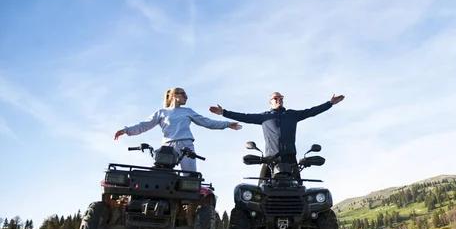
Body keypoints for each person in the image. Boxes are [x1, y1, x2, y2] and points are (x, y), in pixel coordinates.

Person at [209, 92, 344, 180]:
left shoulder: (292, 115)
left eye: (281, 98)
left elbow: (312, 112)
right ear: (270, 102)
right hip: (270, 159)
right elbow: (244, 117)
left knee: (299, 189)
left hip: (290, 158)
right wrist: (224, 112)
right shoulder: (264, 117)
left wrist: (330, 103)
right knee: (260, 190)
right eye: (275, 98)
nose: (279, 99)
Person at [114, 87, 242, 172]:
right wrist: (126, 130)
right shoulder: (162, 112)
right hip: (167, 148)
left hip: (186, 146)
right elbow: (144, 125)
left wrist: (227, 124)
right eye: (184, 94)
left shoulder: (188, 111)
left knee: (190, 177)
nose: (186, 97)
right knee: (162, 176)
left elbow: (206, 122)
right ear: (175, 95)